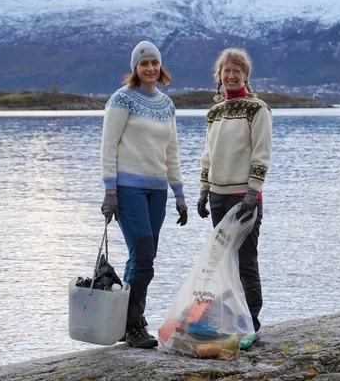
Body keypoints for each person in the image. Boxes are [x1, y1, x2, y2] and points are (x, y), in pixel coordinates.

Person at [100, 40, 188, 349]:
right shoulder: (122, 100)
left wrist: (179, 193)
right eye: (143, 63)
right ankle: (134, 323)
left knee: (142, 257)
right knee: (144, 256)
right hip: (128, 189)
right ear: (135, 69)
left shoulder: (166, 104)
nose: (149, 68)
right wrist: (110, 191)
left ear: (160, 67)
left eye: (154, 63)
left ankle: (124, 322)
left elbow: (172, 151)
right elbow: (108, 146)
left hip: (157, 191)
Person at [197, 47, 272, 349]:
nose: (230, 75)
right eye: (226, 71)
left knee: (245, 262)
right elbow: (208, 154)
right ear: (219, 75)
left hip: (244, 196)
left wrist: (253, 191)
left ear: (245, 75)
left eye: (236, 71)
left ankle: (251, 324)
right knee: (223, 263)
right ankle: (231, 321)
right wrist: (203, 190)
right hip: (218, 196)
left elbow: (262, 152)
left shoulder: (258, 109)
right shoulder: (214, 113)